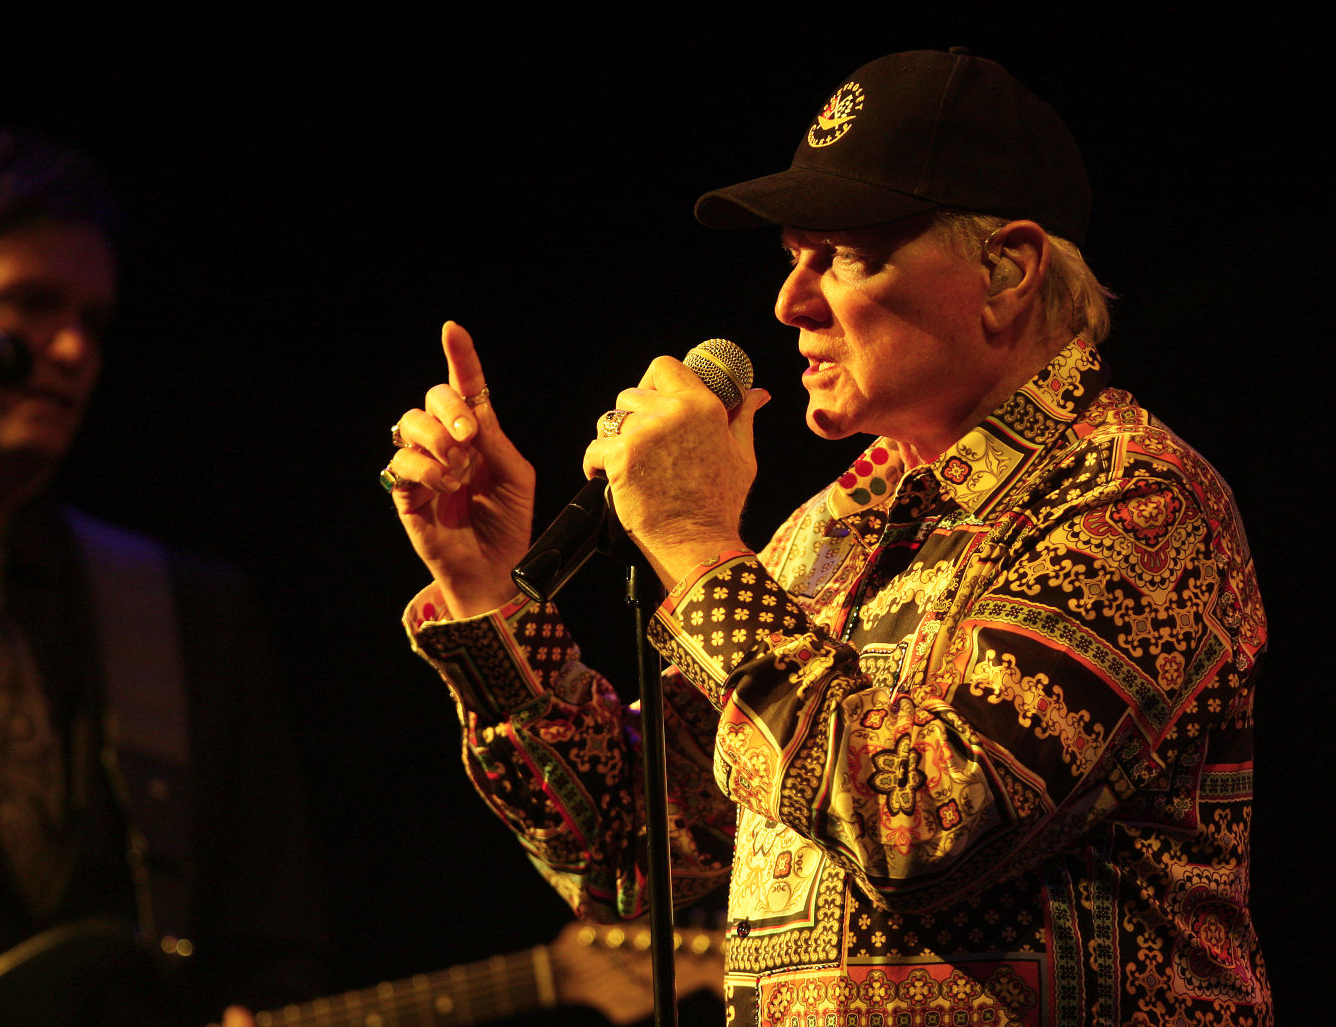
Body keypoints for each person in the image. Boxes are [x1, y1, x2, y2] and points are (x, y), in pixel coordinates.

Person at [387, 49, 1271, 1025]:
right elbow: (644, 861)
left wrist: (693, 539)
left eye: (843, 256)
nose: (789, 304)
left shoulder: (1135, 504)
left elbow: (921, 828)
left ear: (1007, 269)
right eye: (791, 257)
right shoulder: (825, 533)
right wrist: (485, 594)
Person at [0, 130, 331, 1026]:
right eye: (28, 304)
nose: (71, 350)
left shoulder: (190, 617)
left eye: (92, 322)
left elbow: (273, 948)